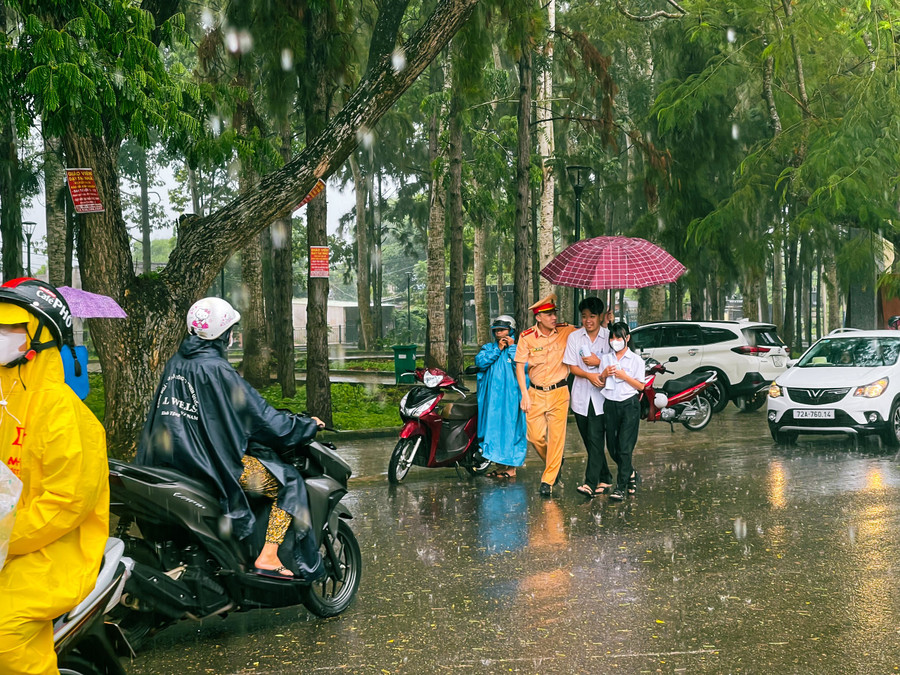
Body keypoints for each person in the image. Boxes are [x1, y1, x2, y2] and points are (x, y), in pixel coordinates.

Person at [137, 297, 325, 581]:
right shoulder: (216, 369)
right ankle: (268, 556)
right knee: (289, 482)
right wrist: (305, 425)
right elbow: (263, 419)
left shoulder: (176, 362)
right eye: (230, 330)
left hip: (172, 461)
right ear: (222, 335)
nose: (233, 336)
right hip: (211, 464)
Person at [0, 278, 109, 675]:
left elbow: (66, 504)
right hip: (9, 542)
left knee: (3, 637)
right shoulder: (4, 398)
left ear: (41, 338)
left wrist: (6, 538)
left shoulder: (67, 415)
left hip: (49, 553)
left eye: (12, 328)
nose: (2, 336)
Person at [515, 293, 577, 496]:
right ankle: (555, 462)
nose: (554, 318)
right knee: (534, 437)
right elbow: (519, 365)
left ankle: (547, 481)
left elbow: (589, 331)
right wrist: (524, 394)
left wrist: (605, 320)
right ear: (538, 318)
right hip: (535, 393)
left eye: (554, 313)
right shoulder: (526, 337)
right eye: (549, 314)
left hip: (559, 392)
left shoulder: (566, 331)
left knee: (557, 438)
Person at [563, 297, 613, 497]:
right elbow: (572, 366)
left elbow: (617, 362)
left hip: (602, 398)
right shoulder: (575, 337)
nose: (588, 320)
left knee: (595, 438)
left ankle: (590, 483)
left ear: (601, 316)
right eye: (584, 316)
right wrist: (588, 375)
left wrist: (598, 362)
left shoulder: (610, 337)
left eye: (592, 316)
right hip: (581, 397)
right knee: (588, 439)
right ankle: (606, 477)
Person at [476, 315, 526, 479]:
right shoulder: (489, 348)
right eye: (496, 330)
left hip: (511, 398)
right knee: (493, 431)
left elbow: (524, 367)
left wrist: (511, 349)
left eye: (503, 330)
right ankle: (500, 466)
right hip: (492, 400)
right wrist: (498, 349)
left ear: (510, 330)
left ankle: (511, 468)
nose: (499, 333)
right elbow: (480, 362)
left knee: (511, 430)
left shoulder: (518, 349)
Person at [600, 322, 646, 501]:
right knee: (612, 448)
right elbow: (600, 383)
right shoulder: (606, 358)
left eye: (618, 337)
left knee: (625, 448)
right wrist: (604, 374)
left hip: (629, 405)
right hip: (610, 404)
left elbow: (641, 386)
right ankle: (630, 474)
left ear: (627, 338)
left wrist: (624, 376)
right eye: (612, 337)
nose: (615, 341)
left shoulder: (636, 360)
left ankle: (620, 486)